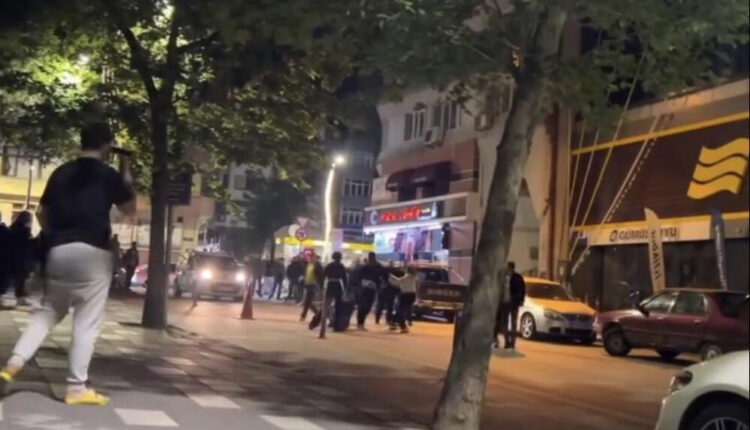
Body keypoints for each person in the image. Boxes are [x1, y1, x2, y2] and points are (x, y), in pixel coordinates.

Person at [0, 122, 136, 405]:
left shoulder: (61, 172)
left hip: (59, 251)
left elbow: (42, 213)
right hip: (93, 253)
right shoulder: (108, 174)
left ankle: (12, 365)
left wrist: (55, 235)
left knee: (48, 312)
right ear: (107, 146)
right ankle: (76, 387)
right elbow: (129, 209)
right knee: (86, 322)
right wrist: (126, 172)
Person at [2, 212, 34, 306]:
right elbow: (26, 245)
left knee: (6, 278)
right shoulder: (24, 231)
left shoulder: (12, 228)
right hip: (20, 258)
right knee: (20, 279)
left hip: (9, 257)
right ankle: (20, 299)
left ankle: (7, 297)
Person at [310, 251, 348, 330]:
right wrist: (345, 289)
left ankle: (319, 326)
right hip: (338, 286)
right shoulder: (341, 266)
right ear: (340, 258)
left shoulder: (329, 265)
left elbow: (323, 276)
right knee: (338, 307)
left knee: (325, 307)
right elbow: (344, 279)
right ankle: (336, 325)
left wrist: (322, 286)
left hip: (330, 285)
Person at [494, 261, 526, 350]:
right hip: (504, 303)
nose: (507, 269)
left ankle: (512, 342)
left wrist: (521, 300)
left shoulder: (517, 277)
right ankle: (507, 341)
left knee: (513, 323)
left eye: (508, 268)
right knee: (504, 323)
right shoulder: (503, 278)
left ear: (511, 268)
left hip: (514, 303)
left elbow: (523, 289)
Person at [356, 252, 386, 330]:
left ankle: (360, 323)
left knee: (363, 305)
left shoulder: (365, 266)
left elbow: (359, 275)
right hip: (372, 287)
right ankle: (361, 323)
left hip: (364, 286)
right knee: (367, 306)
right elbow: (384, 274)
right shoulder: (378, 265)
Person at [388, 265, 418, 334]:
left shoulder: (405, 277)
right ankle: (397, 323)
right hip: (412, 295)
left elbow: (396, 282)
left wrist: (390, 276)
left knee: (400, 310)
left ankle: (402, 326)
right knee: (406, 310)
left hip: (405, 295)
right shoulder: (413, 277)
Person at [299, 251, 323, 322]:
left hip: (313, 285)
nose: (308, 258)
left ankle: (304, 316)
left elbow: (320, 276)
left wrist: (320, 285)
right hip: (308, 284)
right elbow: (306, 274)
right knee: (308, 302)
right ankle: (318, 314)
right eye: (307, 257)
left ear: (313, 257)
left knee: (307, 301)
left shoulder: (317, 265)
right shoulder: (308, 264)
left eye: (309, 256)